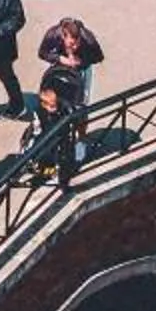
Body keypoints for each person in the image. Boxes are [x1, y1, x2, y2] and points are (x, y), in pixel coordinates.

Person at [31, 15, 105, 187]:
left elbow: (98, 57)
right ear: (63, 36)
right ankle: (47, 132)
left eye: (77, 42)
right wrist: (60, 59)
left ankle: (82, 139)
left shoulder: (88, 39)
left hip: (81, 70)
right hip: (59, 69)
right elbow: (42, 53)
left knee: (81, 107)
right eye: (71, 43)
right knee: (52, 101)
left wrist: (81, 60)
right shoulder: (53, 35)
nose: (74, 46)